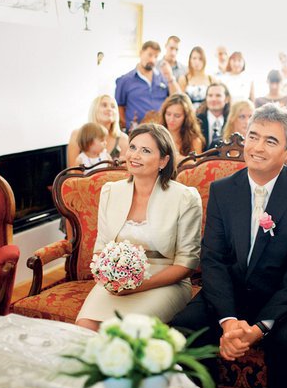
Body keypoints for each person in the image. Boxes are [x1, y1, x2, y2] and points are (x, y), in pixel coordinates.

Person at [172, 103, 287, 388]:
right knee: (184, 329)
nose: (257, 147)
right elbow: (214, 259)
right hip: (232, 291)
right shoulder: (223, 190)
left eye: (271, 141)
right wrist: (229, 321)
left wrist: (259, 329)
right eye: (253, 136)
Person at [76, 123, 202, 331]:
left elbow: (186, 263)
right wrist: (110, 279)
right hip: (116, 282)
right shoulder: (110, 192)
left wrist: (137, 286)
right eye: (133, 147)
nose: (134, 155)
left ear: (164, 160)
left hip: (165, 282)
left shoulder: (185, 198)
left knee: (125, 330)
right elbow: (101, 248)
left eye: (146, 151)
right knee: (85, 326)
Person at [115, 41, 179, 131]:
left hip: (160, 131)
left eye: (156, 56)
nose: (152, 60)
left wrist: (170, 77)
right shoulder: (125, 80)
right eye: (150, 55)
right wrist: (129, 127)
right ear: (141, 53)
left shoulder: (163, 78)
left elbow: (177, 99)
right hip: (135, 132)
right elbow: (118, 108)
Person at [68, 95, 129, 167]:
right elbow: (72, 170)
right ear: (94, 110)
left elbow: (124, 170)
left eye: (113, 106)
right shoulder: (77, 134)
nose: (110, 109)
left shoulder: (124, 139)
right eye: (104, 105)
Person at [159, 93, 205, 163]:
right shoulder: (157, 135)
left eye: (177, 116)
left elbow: (195, 167)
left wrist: (176, 158)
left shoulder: (195, 141)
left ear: (186, 118)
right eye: (168, 114)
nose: (171, 119)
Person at [197, 82, 231, 150]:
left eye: (218, 95)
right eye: (210, 95)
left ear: (227, 99)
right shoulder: (196, 120)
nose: (213, 99)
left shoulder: (231, 121)